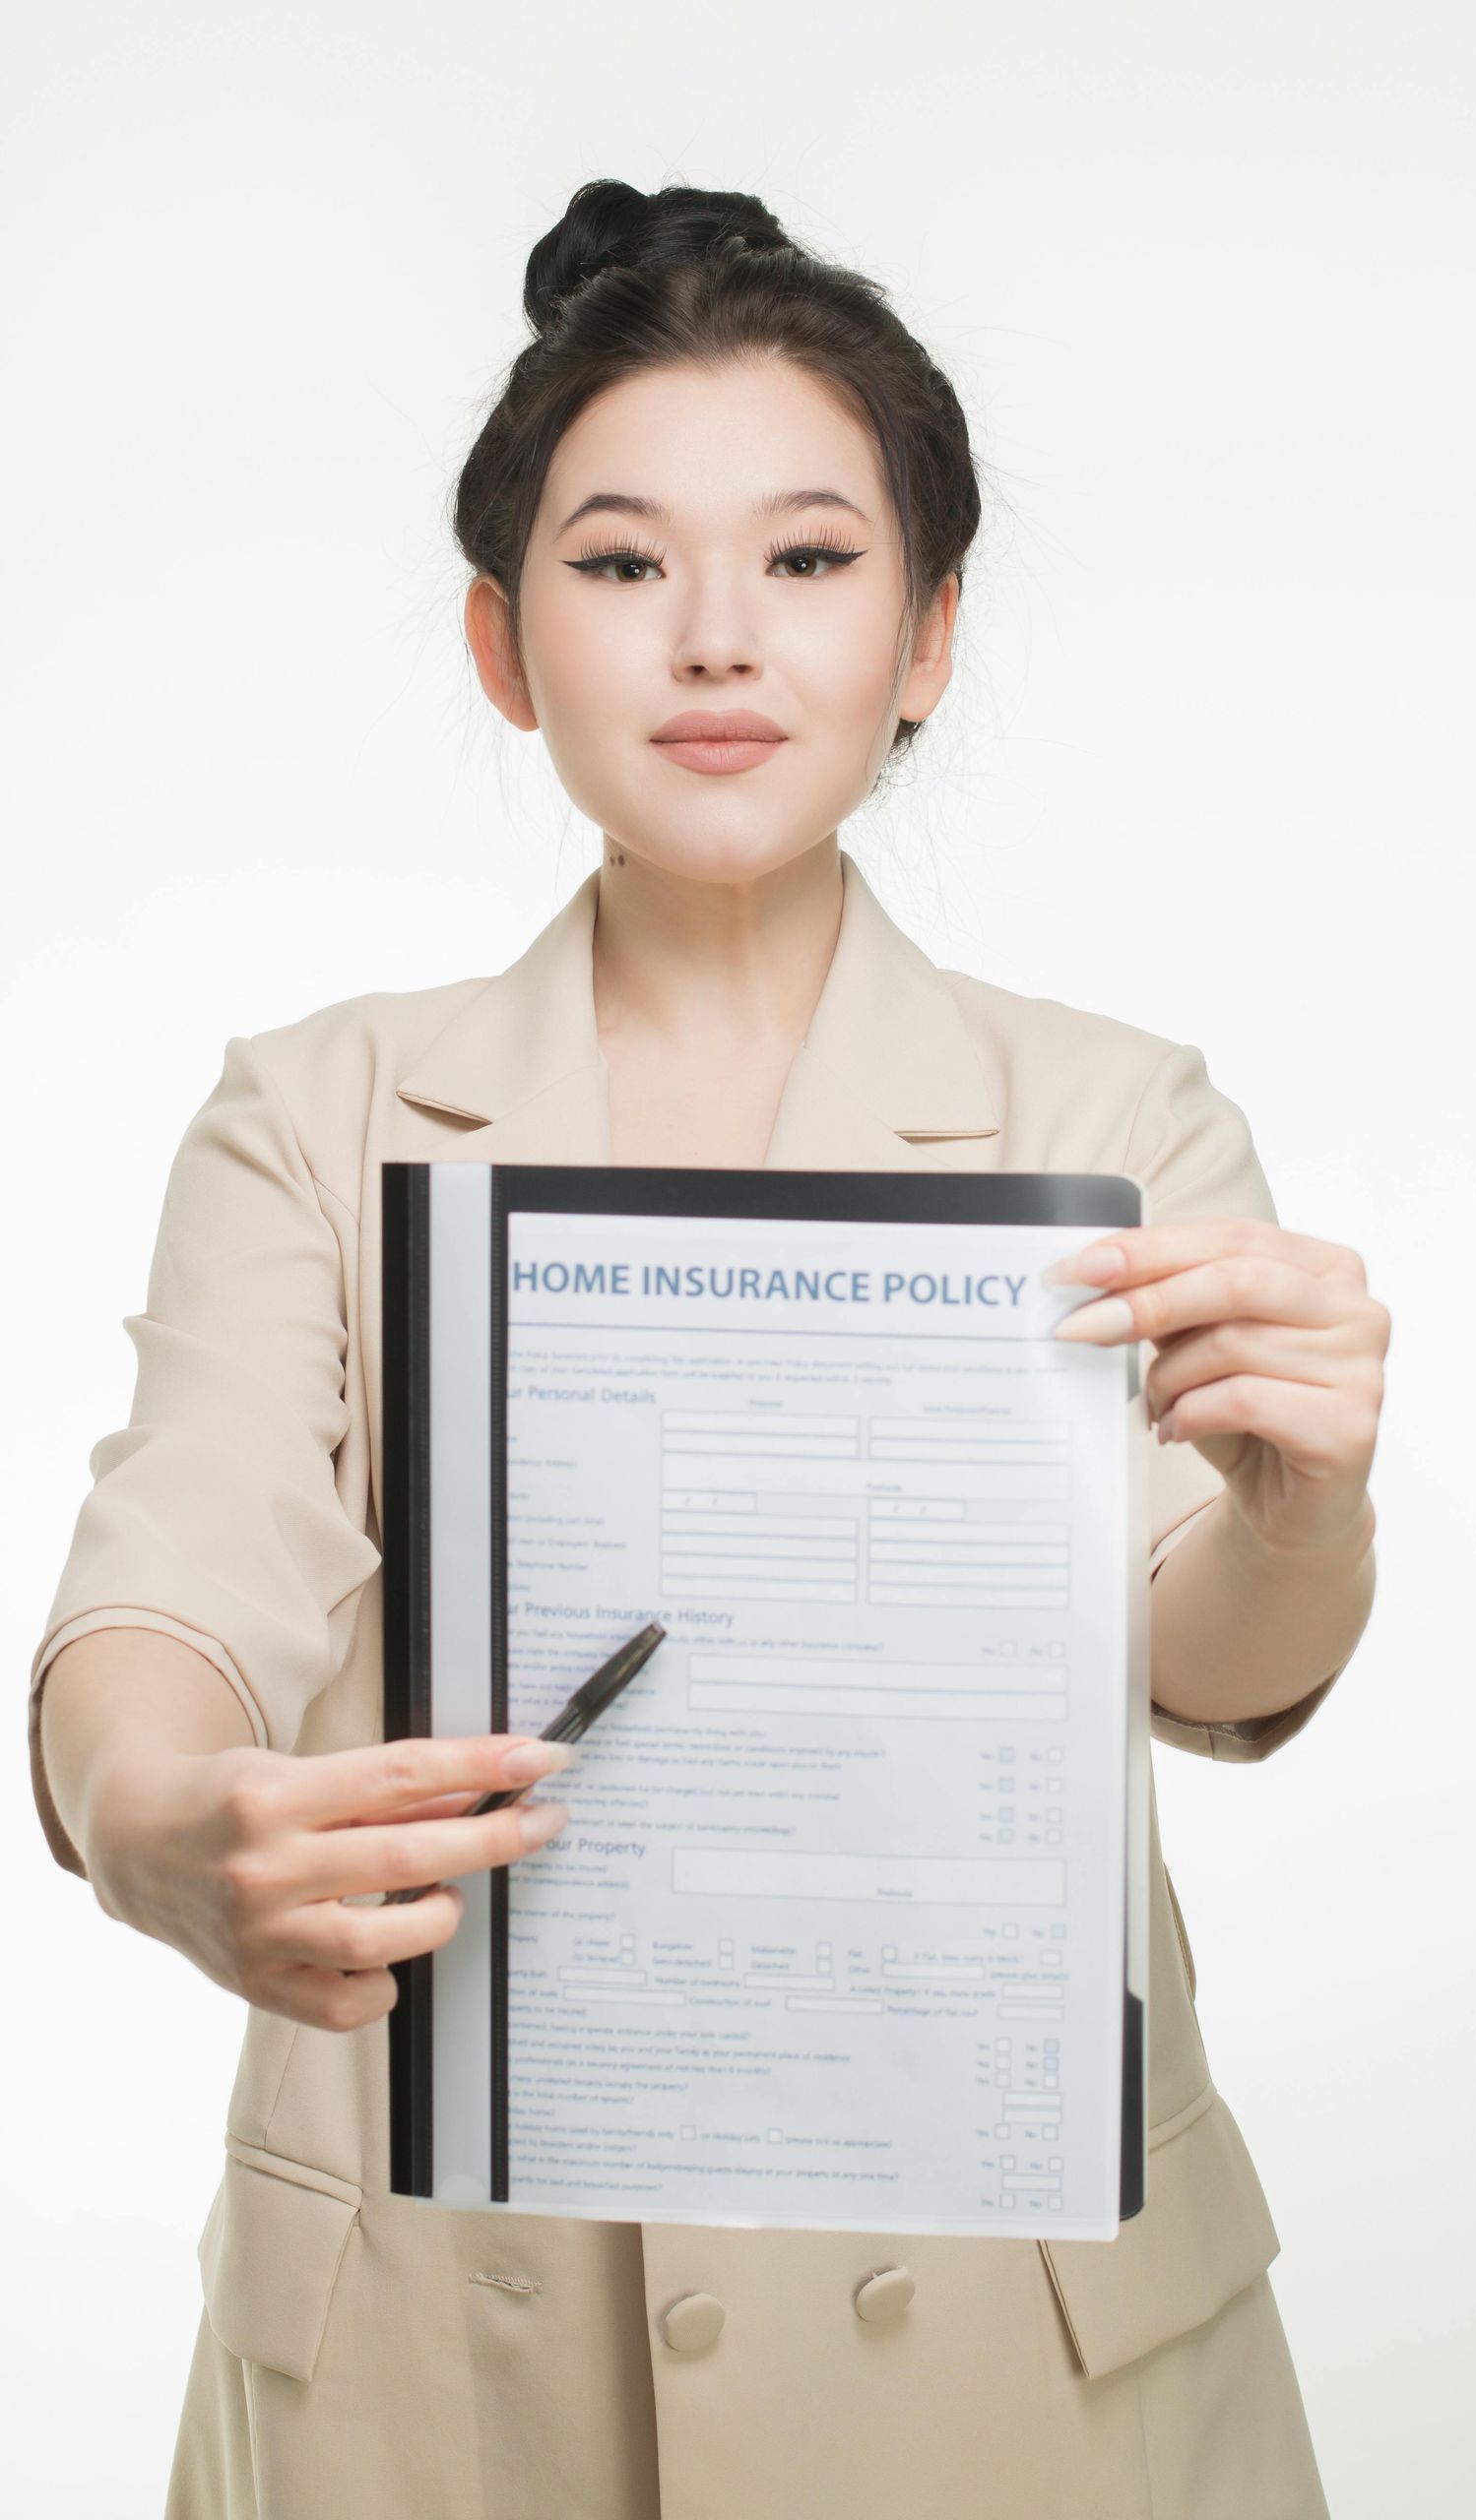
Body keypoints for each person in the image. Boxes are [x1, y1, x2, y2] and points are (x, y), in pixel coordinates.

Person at [29, 178, 1387, 2520]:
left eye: (813, 557)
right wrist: (156, 1816)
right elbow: (182, 1559)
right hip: (445, 2361)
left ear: (929, 632)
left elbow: (1196, 1641)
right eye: (623, 560)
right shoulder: (322, 1113)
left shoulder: (1108, 1118)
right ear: (503, 640)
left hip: (1017, 2365)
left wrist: (1307, 1502)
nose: (719, 638)